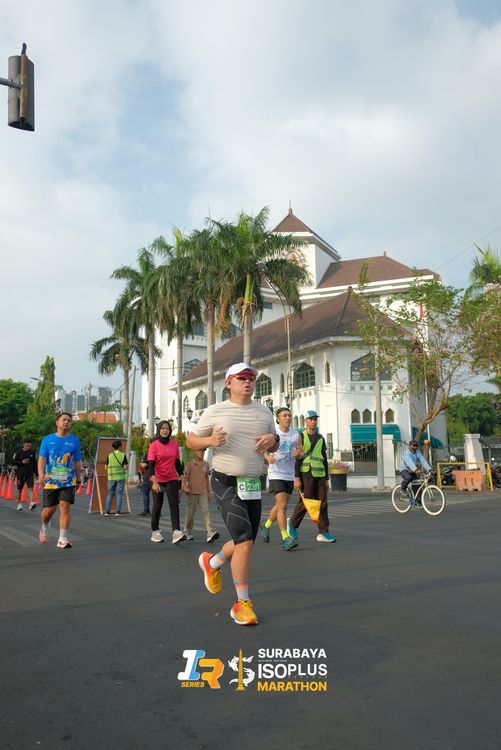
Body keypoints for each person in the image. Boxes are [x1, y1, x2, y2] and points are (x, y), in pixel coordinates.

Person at [187, 362, 279, 626]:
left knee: (244, 542)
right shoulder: (215, 411)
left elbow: (274, 441)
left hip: (252, 485)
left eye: (251, 378)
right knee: (244, 540)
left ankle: (212, 563)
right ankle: (242, 604)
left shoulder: (264, 411)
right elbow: (191, 440)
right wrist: (210, 441)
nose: (248, 381)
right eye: (241, 377)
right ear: (228, 383)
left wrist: (273, 440)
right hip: (224, 481)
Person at [288, 410, 336, 543]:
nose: (313, 421)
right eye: (311, 419)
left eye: (315, 419)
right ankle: (292, 524)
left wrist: (327, 479)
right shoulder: (301, 437)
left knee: (323, 503)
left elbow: (324, 459)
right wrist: (297, 477)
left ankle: (323, 532)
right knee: (306, 501)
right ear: (306, 421)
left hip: (320, 474)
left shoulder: (320, 438)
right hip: (306, 474)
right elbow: (298, 458)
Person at [37, 412, 82, 549]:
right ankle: (45, 525)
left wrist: (79, 478)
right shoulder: (47, 439)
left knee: (65, 506)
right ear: (57, 422)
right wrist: (41, 474)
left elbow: (78, 461)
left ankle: (62, 538)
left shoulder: (75, 441)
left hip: (68, 480)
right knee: (48, 512)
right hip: (51, 480)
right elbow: (42, 459)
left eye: (69, 420)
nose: (66, 422)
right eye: (64, 420)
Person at [260, 407, 301, 550]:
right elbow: (262, 450)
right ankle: (285, 538)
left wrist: (298, 454)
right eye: (285, 416)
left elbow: (300, 451)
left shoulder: (296, 434)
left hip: (289, 474)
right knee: (282, 505)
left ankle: (266, 525)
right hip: (275, 474)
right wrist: (267, 457)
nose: (288, 418)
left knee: (280, 505)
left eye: (289, 415)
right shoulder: (273, 434)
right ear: (278, 419)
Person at [148, 420, 186, 544]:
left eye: (167, 428)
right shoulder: (154, 445)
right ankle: (155, 531)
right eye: (162, 428)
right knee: (157, 505)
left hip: (171, 478)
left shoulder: (174, 445)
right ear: (159, 430)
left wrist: (182, 477)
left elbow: (177, 462)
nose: (165, 430)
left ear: (170, 431)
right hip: (157, 479)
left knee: (174, 505)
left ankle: (176, 532)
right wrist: (154, 482)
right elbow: (151, 466)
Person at [182, 449, 219, 543]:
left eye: (203, 451)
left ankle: (209, 531)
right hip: (192, 492)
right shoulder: (190, 464)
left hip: (203, 492)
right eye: (199, 451)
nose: (201, 452)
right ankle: (187, 530)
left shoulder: (206, 464)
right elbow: (185, 478)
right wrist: (185, 487)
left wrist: (209, 492)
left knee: (206, 511)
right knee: (190, 513)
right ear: (194, 452)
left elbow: (206, 479)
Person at [12, 439, 38, 511]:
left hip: (30, 474)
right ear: (23, 445)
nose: (28, 447)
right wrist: (22, 462)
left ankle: (31, 503)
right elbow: (13, 462)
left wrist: (37, 474)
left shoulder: (32, 452)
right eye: (27, 446)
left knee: (31, 488)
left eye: (29, 446)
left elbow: (34, 464)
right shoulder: (18, 452)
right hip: (21, 474)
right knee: (20, 489)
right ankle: (19, 504)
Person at [104, 439, 128, 516]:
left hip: (111, 477)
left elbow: (105, 467)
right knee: (119, 494)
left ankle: (107, 512)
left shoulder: (109, 455)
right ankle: (117, 512)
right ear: (120, 447)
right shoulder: (123, 455)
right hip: (120, 477)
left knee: (110, 494)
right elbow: (126, 467)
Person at [138, 445, 152, 516]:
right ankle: (157, 511)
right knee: (157, 496)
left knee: (145, 493)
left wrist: (140, 464)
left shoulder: (148, 454)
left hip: (147, 477)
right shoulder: (160, 454)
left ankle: (146, 510)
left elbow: (143, 465)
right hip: (157, 477)